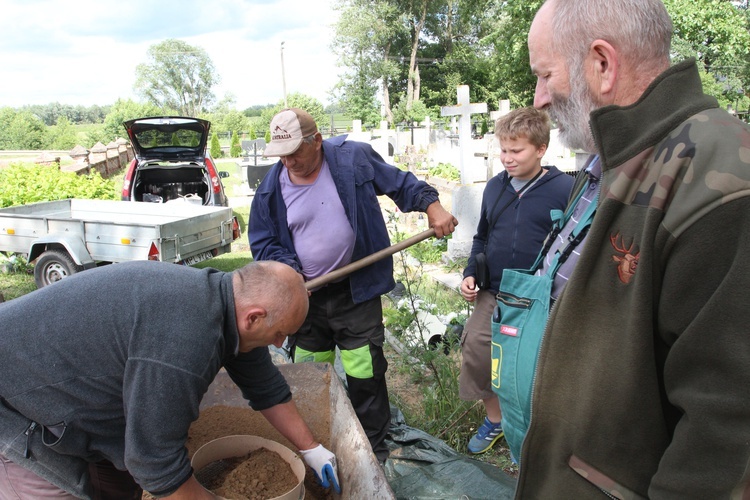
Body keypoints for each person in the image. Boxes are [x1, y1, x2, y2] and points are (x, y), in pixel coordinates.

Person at [492, 0, 750, 497]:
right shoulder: (619, 158)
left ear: (602, 64)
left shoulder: (720, 183)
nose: (539, 98)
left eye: (545, 75)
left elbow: (727, 431)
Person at [0, 260, 341, 499]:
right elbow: (155, 462)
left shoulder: (222, 301)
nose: (281, 344)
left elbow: (265, 386)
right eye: (281, 333)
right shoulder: (185, 342)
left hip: (75, 388)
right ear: (254, 317)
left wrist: (311, 449)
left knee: (120, 485)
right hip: (14, 400)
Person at [248, 107, 457, 463]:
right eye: (282, 155)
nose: (289, 162)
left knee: (366, 372)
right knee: (311, 372)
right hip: (305, 299)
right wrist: (292, 274)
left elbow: (401, 182)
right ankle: (316, 443)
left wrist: (432, 207)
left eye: (296, 151)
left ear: (316, 141)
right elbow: (263, 242)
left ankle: (373, 453)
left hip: (356, 291)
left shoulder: (352, 159)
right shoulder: (271, 187)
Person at [458, 107, 573, 454]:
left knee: (534, 365)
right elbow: (482, 237)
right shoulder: (495, 187)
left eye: (516, 151)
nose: (507, 158)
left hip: (539, 297)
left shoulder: (565, 189)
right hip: (493, 292)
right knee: (477, 351)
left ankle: (539, 429)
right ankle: (496, 419)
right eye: (503, 150)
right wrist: (470, 273)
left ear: (540, 149)